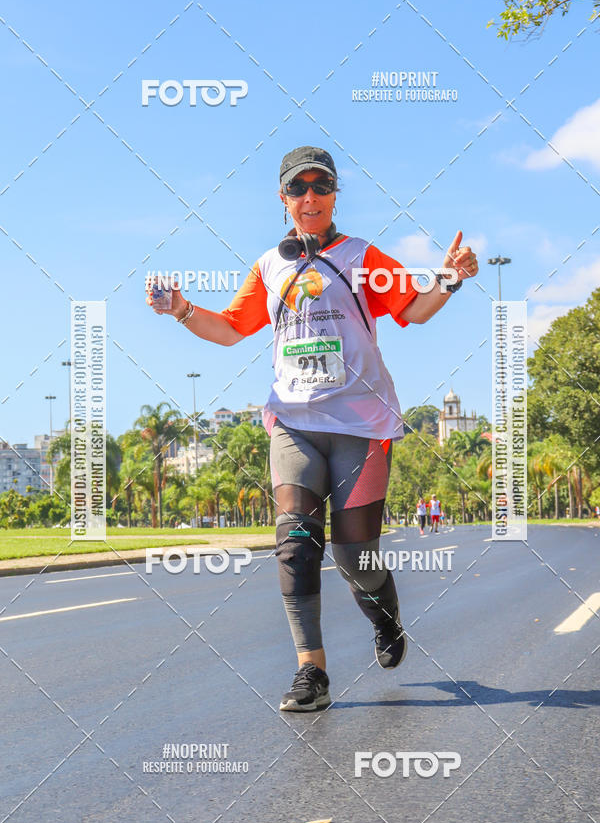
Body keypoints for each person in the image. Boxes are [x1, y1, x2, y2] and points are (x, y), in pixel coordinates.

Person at [146, 145, 479, 712]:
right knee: (296, 543)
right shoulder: (270, 266)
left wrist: (449, 278)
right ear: (283, 199)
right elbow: (229, 330)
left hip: (361, 423)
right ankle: (312, 672)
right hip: (293, 422)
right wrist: (181, 308)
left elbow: (414, 311)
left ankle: (386, 613)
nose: (309, 198)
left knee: (355, 555)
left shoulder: (360, 256)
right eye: (297, 189)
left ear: (334, 195)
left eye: (320, 187)